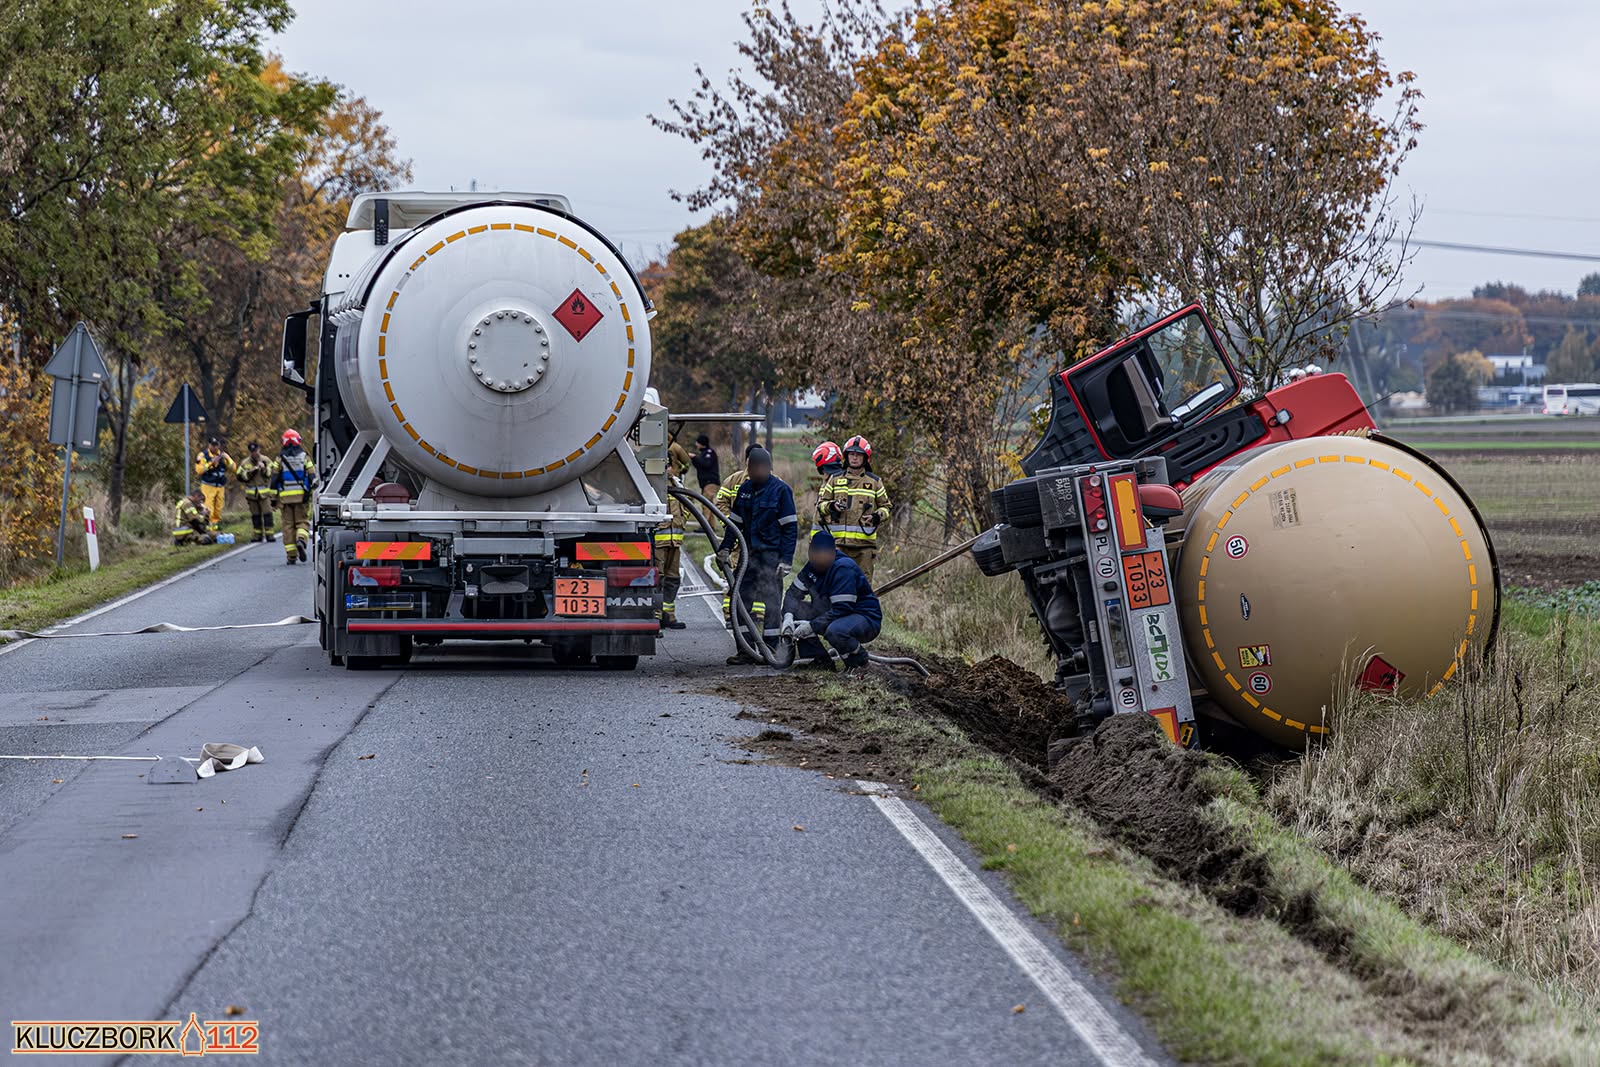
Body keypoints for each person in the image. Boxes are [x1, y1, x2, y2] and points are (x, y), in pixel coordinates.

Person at [716, 446, 798, 664]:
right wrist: (725, 548)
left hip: (771, 557)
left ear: (769, 468)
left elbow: (790, 529)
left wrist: (786, 560)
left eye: (760, 468)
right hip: (748, 556)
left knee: (772, 606)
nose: (756, 472)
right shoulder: (744, 490)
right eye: (753, 468)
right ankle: (745, 650)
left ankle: (769, 650)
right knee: (740, 602)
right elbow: (735, 524)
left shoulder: (781, 491)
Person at [780, 529, 881, 673]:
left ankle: (860, 664)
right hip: (833, 613)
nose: (818, 564)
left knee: (835, 630)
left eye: (823, 560)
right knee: (796, 609)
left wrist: (812, 626)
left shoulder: (843, 568)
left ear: (832, 553)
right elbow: (792, 594)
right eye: (815, 559)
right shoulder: (811, 567)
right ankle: (819, 660)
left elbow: (842, 609)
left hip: (864, 618)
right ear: (810, 552)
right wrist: (788, 616)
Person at [817, 435, 892, 578]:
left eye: (858, 454)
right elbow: (821, 506)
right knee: (837, 585)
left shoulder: (875, 482)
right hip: (838, 546)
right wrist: (832, 507)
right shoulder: (835, 479)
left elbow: (886, 507)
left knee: (862, 588)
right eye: (851, 454)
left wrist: (877, 516)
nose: (855, 458)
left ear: (865, 458)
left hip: (864, 548)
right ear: (846, 456)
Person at [656, 447, 690, 630]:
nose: (668, 469)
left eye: (669, 465)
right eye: (664, 465)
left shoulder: (676, 485)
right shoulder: (650, 487)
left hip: (674, 543)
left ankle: (668, 616)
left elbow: (687, 508)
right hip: (656, 545)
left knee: (672, 579)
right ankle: (654, 616)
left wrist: (682, 522)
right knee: (657, 578)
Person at [271, 429, 316, 565]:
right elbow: (312, 477)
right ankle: (301, 539)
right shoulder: (305, 457)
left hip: (285, 499)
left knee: (288, 526)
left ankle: (291, 556)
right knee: (302, 522)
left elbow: (274, 480)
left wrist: (273, 500)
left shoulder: (279, 460)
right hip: (301, 498)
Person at [234, 442, 277, 543]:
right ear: (250, 452)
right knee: (255, 515)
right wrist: (250, 472)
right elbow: (239, 476)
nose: (254, 454)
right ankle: (257, 535)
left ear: (259, 450)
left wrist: (264, 469)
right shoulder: (245, 463)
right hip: (251, 495)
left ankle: (269, 534)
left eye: (256, 451)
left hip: (264, 494)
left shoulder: (266, 460)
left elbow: (272, 473)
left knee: (267, 514)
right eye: (252, 452)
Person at [193, 437, 235, 530]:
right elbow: (199, 470)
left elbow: (233, 468)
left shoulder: (223, 455)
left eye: (216, 445)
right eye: (213, 445)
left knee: (218, 508)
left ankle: (215, 528)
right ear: (209, 445)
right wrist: (211, 463)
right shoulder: (203, 455)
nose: (215, 447)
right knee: (208, 507)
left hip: (220, 485)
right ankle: (208, 528)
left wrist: (227, 460)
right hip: (208, 485)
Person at [691, 434, 721, 500]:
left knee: (707, 505)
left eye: (698, 443)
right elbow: (699, 466)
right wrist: (693, 459)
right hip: (704, 484)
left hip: (710, 482)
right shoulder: (702, 454)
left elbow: (706, 464)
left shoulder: (709, 453)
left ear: (702, 443)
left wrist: (695, 457)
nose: (696, 444)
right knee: (705, 504)